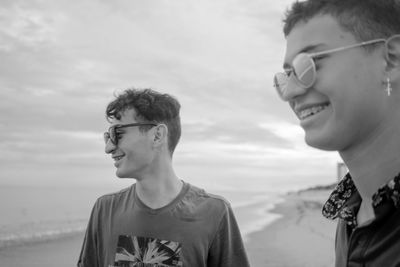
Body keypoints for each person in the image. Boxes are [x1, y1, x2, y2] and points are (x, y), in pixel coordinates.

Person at [273, 0, 400, 266]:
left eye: (309, 63)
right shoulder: (351, 213)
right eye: (287, 75)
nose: (291, 93)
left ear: (391, 59)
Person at [77, 88, 250, 267]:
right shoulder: (105, 210)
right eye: (108, 136)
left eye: (117, 133)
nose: (108, 147)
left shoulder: (215, 212)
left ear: (157, 135)